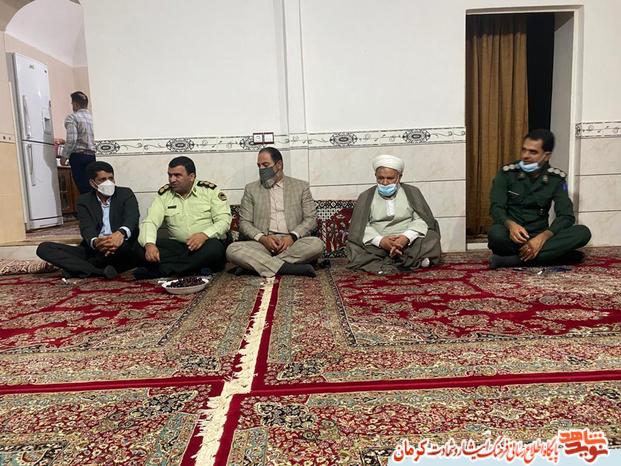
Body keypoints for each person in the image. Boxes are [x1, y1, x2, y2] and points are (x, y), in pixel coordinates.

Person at [488, 129, 591, 269]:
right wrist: (510, 225)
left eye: (533, 152)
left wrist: (543, 237)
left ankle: (512, 260)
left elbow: (566, 216)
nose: (525, 156)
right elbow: (496, 207)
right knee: (496, 235)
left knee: (582, 232)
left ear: (546, 156)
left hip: (539, 235)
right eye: (524, 150)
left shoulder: (556, 179)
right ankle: (557, 255)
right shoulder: (507, 173)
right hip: (512, 236)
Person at [226, 147, 324, 277]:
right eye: (259, 166)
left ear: (279, 165)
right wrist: (263, 238)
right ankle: (289, 268)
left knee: (317, 245)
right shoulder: (251, 189)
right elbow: (244, 223)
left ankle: (256, 266)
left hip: (292, 244)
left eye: (265, 165)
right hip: (262, 244)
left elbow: (311, 219)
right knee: (232, 250)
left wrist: (292, 237)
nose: (261, 169)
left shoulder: (301, 187)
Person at [36, 161, 139, 278]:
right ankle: (97, 271)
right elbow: (86, 227)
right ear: (92, 183)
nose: (108, 182)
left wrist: (120, 234)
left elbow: (132, 217)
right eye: (102, 179)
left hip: (120, 246)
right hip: (96, 248)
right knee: (44, 248)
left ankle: (79, 268)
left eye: (111, 178)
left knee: (124, 250)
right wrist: (95, 242)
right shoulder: (84, 200)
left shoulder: (125, 193)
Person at [135, 156, 231, 278]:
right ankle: (195, 267)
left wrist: (204, 235)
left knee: (215, 249)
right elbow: (150, 221)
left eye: (177, 175)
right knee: (139, 246)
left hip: (205, 244)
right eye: (170, 175)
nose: (172, 180)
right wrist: (149, 244)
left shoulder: (210, 191)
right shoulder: (164, 195)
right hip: (179, 247)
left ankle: (163, 270)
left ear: (191, 176)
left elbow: (224, 221)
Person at [346, 154, 441, 274]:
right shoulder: (366, 196)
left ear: (399, 177)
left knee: (431, 237)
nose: (385, 182)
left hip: (408, 242)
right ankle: (412, 261)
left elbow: (421, 219)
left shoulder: (412, 192)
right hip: (377, 243)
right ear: (375, 176)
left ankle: (384, 262)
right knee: (354, 246)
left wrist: (405, 238)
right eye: (380, 178)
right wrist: (381, 241)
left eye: (390, 178)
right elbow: (360, 226)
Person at [57, 91, 96, 194]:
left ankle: (86, 205)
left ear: (75, 104)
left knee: (84, 189)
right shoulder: (93, 118)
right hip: (93, 157)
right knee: (94, 188)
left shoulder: (72, 117)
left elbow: (72, 139)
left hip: (79, 157)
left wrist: (64, 157)